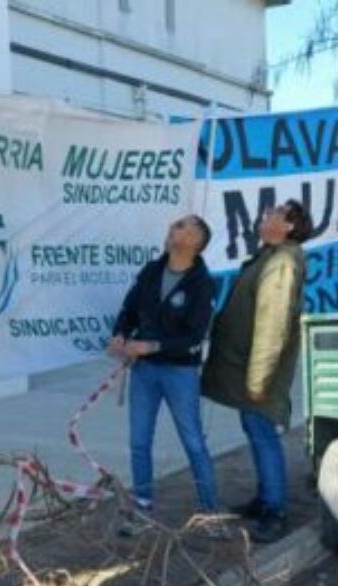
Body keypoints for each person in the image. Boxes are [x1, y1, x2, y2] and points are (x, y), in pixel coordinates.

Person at [201, 200, 312, 544]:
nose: (263, 220)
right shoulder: (271, 256)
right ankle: (265, 498)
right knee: (256, 430)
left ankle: (274, 510)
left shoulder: (281, 262)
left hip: (259, 371)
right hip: (249, 367)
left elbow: (272, 325)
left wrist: (258, 379)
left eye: (272, 216)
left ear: (289, 225)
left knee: (262, 432)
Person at [109, 214, 219, 531]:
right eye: (175, 224)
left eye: (184, 226)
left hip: (179, 373)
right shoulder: (152, 270)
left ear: (197, 241)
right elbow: (128, 310)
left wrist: (152, 346)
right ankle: (142, 508)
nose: (174, 227)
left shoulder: (202, 283)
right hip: (144, 372)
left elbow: (194, 336)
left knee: (193, 441)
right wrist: (120, 334)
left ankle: (211, 512)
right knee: (139, 441)